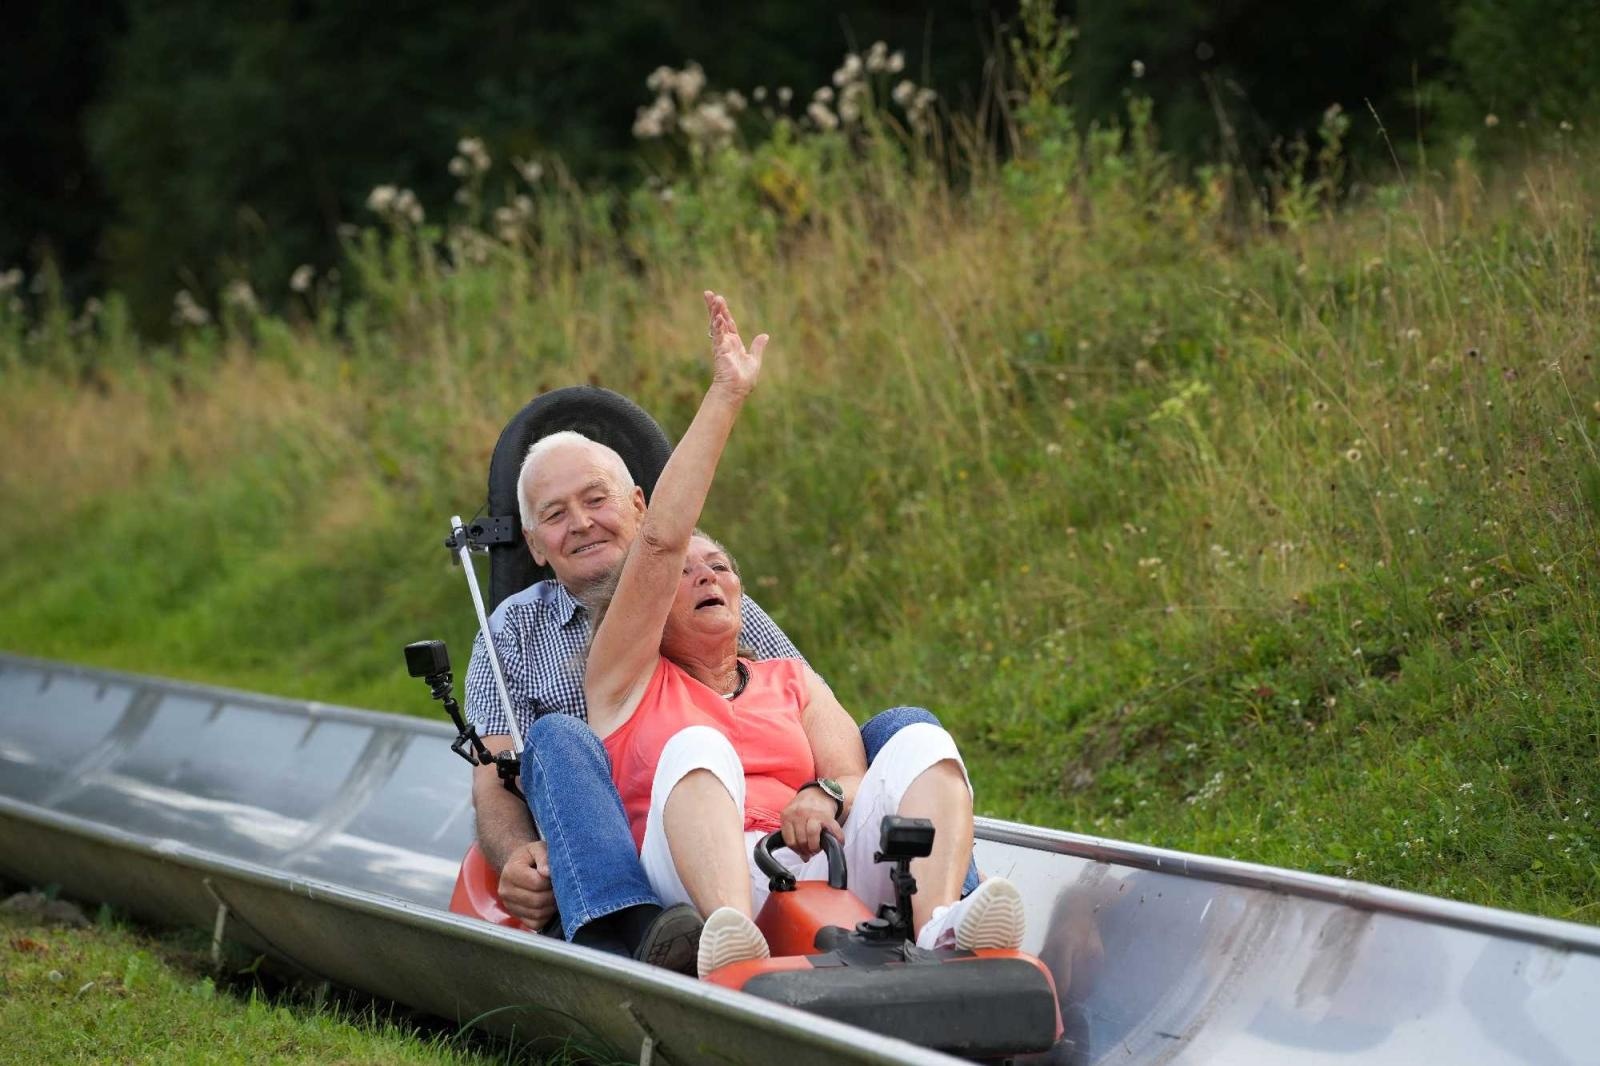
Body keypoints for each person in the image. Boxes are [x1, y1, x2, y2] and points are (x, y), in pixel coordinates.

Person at [583, 291, 1024, 977]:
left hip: (825, 866)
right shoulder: (626, 681)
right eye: (685, 574)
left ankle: (938, 923)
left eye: (720, 567)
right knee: (699, 744)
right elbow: (661, 540)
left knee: (922, 742)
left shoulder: (787, 678)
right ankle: (732, 940)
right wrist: (727, 396)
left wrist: (825, 795)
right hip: (700, 876)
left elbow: (852, 770)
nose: (706, 577)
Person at [463, 383, 974, 973]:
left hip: (788, 831)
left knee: (909, 729)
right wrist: (514, 857)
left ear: (636, 503)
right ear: (535, 545)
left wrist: (826, 791)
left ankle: (945, 913)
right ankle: (628, 931)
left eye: (595, 500)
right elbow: (493, 775)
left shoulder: (724, 608)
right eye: (555, 515)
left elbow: (810, 720)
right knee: (575, 740)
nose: (580, 524)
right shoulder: (533, 636)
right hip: (630, 830)